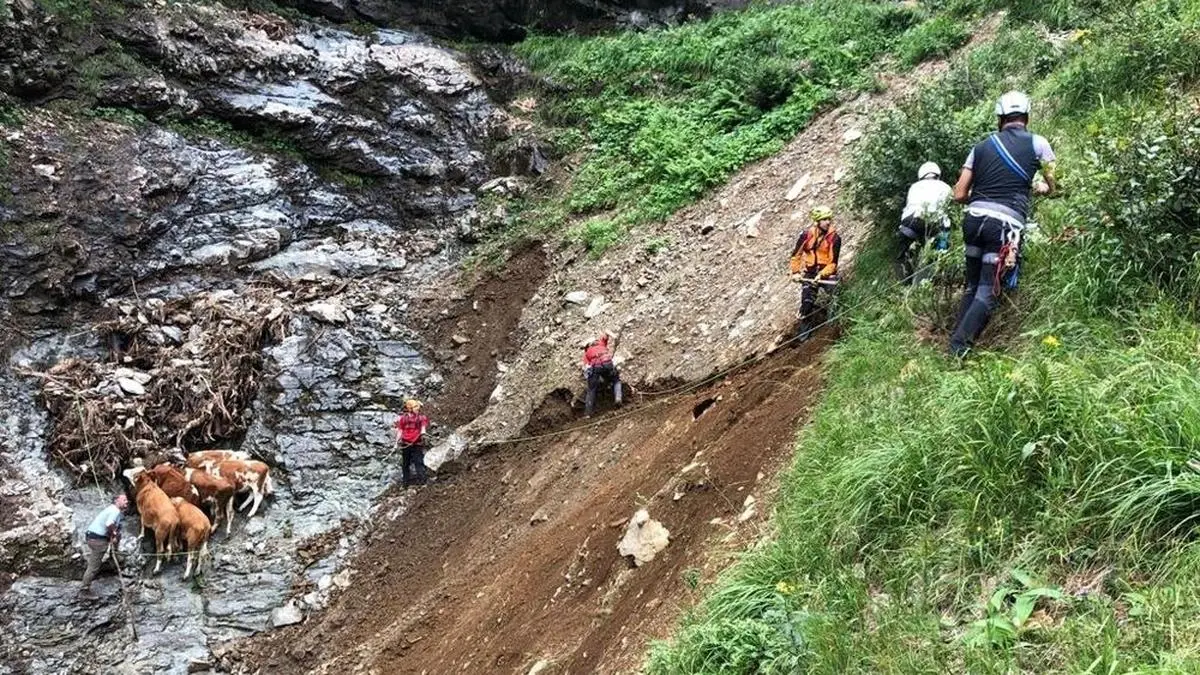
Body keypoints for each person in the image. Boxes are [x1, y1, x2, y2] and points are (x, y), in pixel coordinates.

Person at [948, 91, 1056, 357]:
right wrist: (1040, 187)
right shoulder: (1039, 143)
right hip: (1005, 225)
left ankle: (955, 339)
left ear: (1000, 119)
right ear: (1026, 117)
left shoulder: (980, 147)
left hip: (973, 221)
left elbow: (959, 194)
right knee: (988, 290)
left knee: (972, 285)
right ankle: (958, 348)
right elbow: (1054, 184)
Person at [789, 206, 842, 341]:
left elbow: (833, 263)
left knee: (837, 294)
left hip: (827, 274)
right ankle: (803, 338)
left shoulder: (835, 238)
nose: (828, 222)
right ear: (817, 221)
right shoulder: (806, 235)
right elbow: (796, 255)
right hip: (810, 273)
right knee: (806, 303)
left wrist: (822, 275)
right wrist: (795, 272)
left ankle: (834, 327)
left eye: (829, 219)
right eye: (824, 219)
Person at [897, 161, 954, 284]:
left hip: (911, 223)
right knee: (940, 253)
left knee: (904, 254)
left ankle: (904, 284)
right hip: (937, 225)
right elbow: (950, 210)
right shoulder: (946, 187)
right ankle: (938, 277)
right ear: (938, 175)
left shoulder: (914, 187)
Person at [80, 493, 128, 599]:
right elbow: (109, 523)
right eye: (124, 500)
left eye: (126, 500)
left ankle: (114, 556)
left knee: (117, 536)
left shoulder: (114, 510)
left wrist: (115, 535)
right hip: (97, 540)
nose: (126, 502)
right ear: (117, 501)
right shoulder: (115, 511)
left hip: (93, 537)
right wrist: (113, 533)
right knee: (93, 566)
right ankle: (84, 589)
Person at [583, 333, 622, 418]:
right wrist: (613, 335)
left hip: (596, 366)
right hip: (608, 363)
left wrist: (590, 379)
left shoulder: (587, 354)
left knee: (591, 390)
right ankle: (618, 398)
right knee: (616, 381)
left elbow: (587, 368)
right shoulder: (601, 343)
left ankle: (588, 414)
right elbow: (606, 334)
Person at [393, 399, 430, 487]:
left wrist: (423, 433)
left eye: (417, 407)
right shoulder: (403, 419)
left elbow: (423, 427)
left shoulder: (421, 418)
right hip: (405, 444)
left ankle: (422, 481)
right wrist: (396, 443)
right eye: (415, 407)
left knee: (419, 462)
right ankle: (405, 482)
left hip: (417, 443)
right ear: (410, 408)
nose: (417, 409)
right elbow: (400, 430)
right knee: (405, 464)